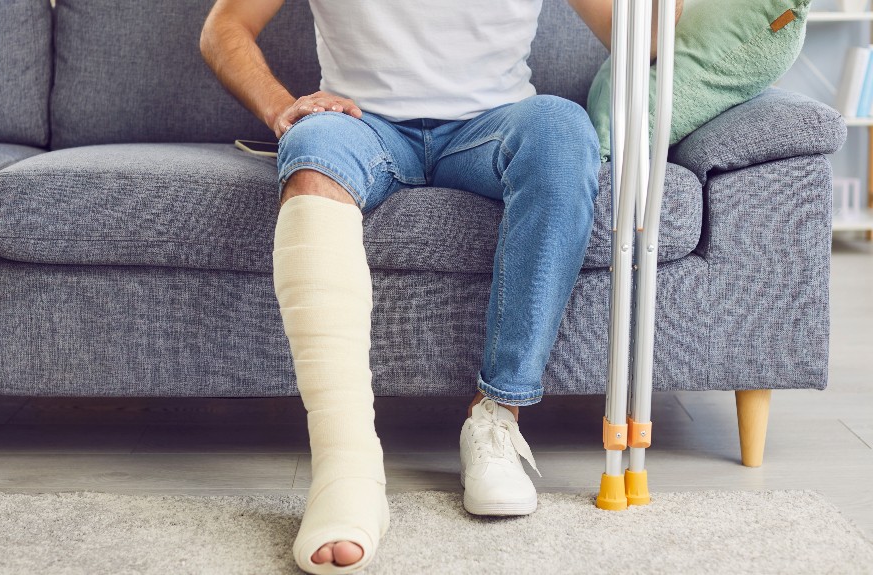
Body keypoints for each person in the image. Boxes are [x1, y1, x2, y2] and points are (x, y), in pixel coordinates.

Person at [201, 1, 681, 572]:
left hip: (493, 125)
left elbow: (645, 37)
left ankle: (497, 418)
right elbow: (224, 27)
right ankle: (346, 467)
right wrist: (281, 107)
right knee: (310, 151)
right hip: (360, 123)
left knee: (562, 130)